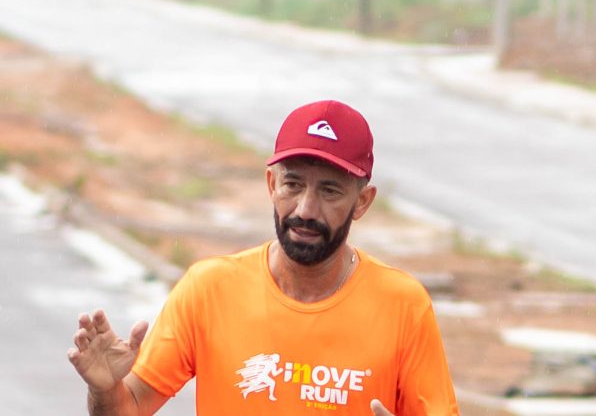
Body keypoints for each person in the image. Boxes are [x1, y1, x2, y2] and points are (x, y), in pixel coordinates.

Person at [68, 100, 460, 415]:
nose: (305, 209)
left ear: (362, 202)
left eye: (329, 191)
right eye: (293, 184)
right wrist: (105, 390)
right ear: (272, 184)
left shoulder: (402, 305)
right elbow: (129, 409)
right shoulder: (209, 290)